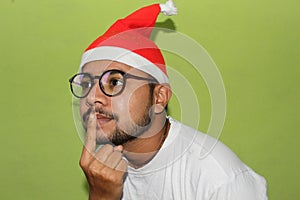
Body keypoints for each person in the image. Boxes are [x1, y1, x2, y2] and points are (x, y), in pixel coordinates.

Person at [68, 1, 268, 199]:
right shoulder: (102, 170)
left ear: (159, 96)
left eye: (114, 82)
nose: (92, 97)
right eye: (86, 85)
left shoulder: (219, 180)